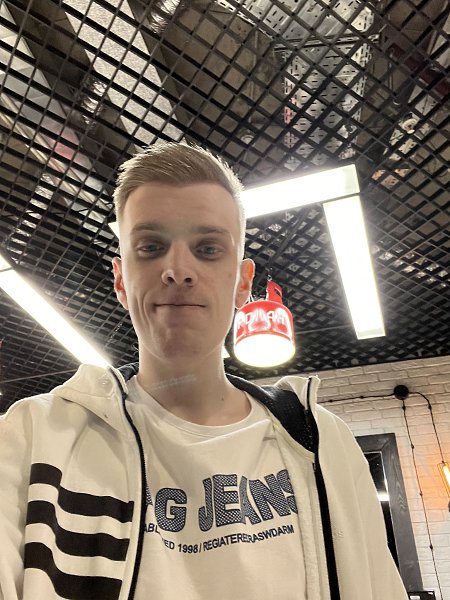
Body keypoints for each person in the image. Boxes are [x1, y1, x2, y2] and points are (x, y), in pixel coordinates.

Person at [0, 142, 408, 600]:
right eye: (150, 247)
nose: (177, 270)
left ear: (243, 282)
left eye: (208, 248)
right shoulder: (32, 437)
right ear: (120, 280)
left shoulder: (323, 442)